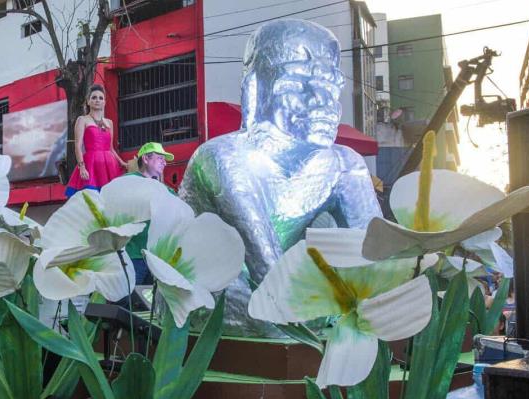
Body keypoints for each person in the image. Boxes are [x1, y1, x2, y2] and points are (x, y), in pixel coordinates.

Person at [180, 20, 382, 336]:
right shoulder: (223, 158)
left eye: (329, 86)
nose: (322, 102)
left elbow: (378, 261)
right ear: (255, 91)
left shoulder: (344, 164)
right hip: (222, 286)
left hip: (296, 290)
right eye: (297, 84)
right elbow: (266, 271)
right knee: (251, 309)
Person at [122, 142, 175, 286]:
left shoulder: (165, 190)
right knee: (128, 300)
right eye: (160, 158)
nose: (164, 162)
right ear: (145, 159)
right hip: (133, 255)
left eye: (165, 159)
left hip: (156, 258)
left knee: (148, 304)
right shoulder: (126, 183)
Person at [65, 84, 128, 197]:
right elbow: (78, 146)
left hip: (110, 165)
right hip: (91, 164)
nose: (97, 100)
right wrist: (82, 167)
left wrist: (122, 162)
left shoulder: (109, 123)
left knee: (112, 197)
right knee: (91, 198)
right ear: (88, 102)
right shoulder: (82, 120)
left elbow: (111, 148)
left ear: (104, 102)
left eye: (101, 98)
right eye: (93, 97)